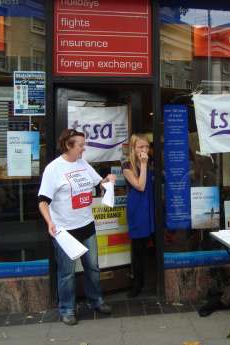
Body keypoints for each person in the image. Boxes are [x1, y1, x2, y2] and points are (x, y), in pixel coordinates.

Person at [38, 129, 116, 326]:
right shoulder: (53, 169)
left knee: (93, 268)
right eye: (80, 145)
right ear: (68, 145)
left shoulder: (82, 163)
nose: (84, 148)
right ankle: (67, 309)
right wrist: (50, 222)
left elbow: (100, 183)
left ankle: (96, 301)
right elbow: (42, 201)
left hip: (87, 225)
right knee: (66, 273)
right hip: (65, 231)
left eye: (84, 144)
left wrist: (108, 180)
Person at [122, 134, 155, 298]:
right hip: (137, 208)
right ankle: (137, 284)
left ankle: (152, 281)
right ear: (133, 149)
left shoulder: (151, 163)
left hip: (150, 205)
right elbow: (140, 186)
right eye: (140, 147)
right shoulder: (127, 166)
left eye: (146, 147)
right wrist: (143, 164)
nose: (144, 150)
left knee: (152, 245)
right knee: (138, 248)